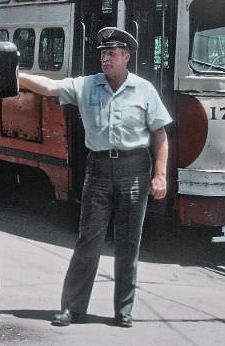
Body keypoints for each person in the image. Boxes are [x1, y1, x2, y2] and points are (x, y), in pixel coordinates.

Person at [19, 26, 171, 328]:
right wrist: (17, 76)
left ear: (126, 57)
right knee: (88, 240)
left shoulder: (144, 89)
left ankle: (123, 310)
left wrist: (160, 175)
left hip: (134, 170)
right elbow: (49, 87)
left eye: (112, 53)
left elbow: (160, 135)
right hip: (99, 169)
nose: (106, 58)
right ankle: (72, 309)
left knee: (129, 243)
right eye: (103, 53)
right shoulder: (87, 85)